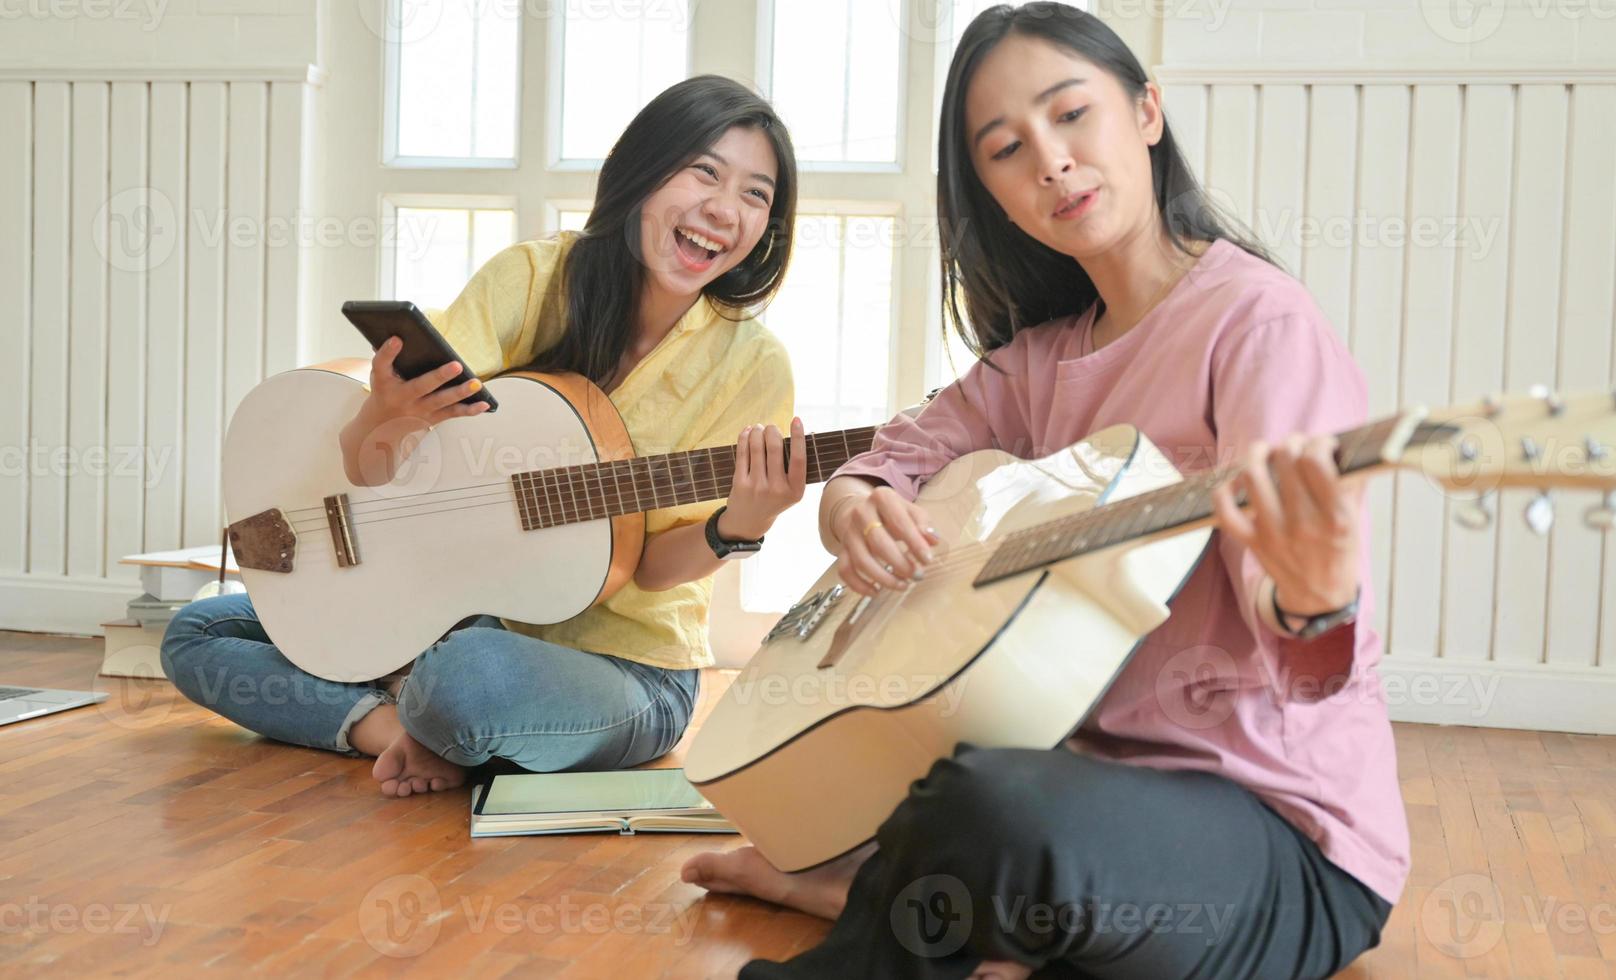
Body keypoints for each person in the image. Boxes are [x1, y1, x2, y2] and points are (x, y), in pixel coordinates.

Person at [680, 6, 1408, 978]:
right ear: (993, 196)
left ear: (1146, 111)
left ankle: (892, 905)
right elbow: (883, 461)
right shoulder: (1038, 361)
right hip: (1089, 793)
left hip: (1280, 834)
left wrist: (1319, 592)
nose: (1053, 162)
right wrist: (853, 509)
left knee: (986, 807)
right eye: (1008, 149)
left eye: (1073, 115)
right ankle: (941, 905)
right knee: (962, 787)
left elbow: (1310, 663)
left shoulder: (1260, 326)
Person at [162, 76, 808, 798]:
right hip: (456, 613)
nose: (725, 210)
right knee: (198, 633)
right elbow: (374, 464)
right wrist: (387, 416)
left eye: (757, 195)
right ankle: (389, 730)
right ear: (644, 171)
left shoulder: (752, 365)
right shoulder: (533, 279)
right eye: (705, 172)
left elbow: (652, 570)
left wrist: (738, 528)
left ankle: (432, 712)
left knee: (468, 675)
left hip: (626, 671)